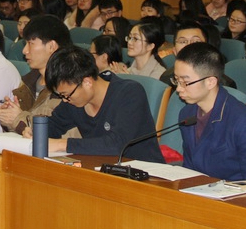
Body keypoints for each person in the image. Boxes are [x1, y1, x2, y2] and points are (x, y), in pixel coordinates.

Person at [33, 45, 165, 162]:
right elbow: (54, 125)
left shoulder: (130, 93)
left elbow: (117, 144)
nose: (64, 100)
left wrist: (61, 145)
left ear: (87, 82)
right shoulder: (73, 99)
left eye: (66, 95)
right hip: (100, 168)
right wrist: (36, 132)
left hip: (144, 172)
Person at [173, 42, 246, 185]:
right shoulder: (187, 113)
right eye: (176, 80)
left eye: (185, 82)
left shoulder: (245, 123)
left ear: (210, 82)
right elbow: (189, 168)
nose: (178, 88)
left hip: (234, 196)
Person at [0, 15, 76, 135]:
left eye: (31, 43)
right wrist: (8, 119)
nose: (24, 50)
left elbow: (57, 131)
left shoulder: (68, 87)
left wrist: (18, 118)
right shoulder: (27, 81)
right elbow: (20, 129)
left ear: (51, 46)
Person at [161, 21, 237, 89]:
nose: (189, 46)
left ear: (207, 48)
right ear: (174, 51)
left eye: (196, 41)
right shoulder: (166, 78)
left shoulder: (224, 84)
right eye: (183, 42)